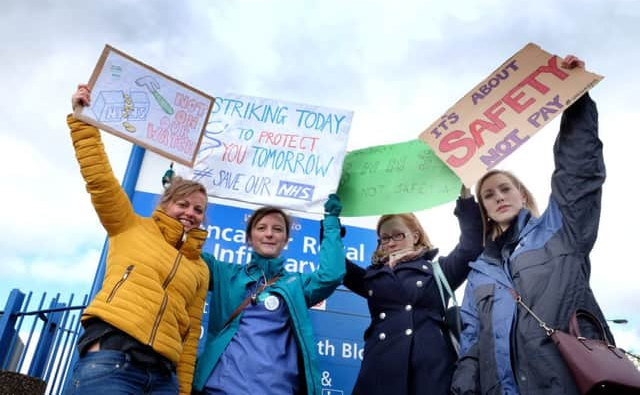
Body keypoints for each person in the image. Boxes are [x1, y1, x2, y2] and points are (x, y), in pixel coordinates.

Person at [451, 55, 610, 394]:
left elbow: (578, 176)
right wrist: (464, 380)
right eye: (489, 195)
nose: (498, 197)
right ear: (485, 211)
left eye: (505, 189)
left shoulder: (560, 231)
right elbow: (471, 337)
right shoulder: (479, 273)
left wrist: (575, 99)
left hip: (566, 383)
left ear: (522, 195)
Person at [66, 84, 209, 395]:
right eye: (182, 204)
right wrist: (82, 122)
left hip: (163, 380)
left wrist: (183, 391)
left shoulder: (200, 268)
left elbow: (191, 333)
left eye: (198, 209)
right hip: (112, 362)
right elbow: (100, 181)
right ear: (165, 204)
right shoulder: (130, 226)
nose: (190, 213)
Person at [192, 196, 345, 394]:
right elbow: (187, 250)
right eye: (261, 228)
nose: (269, 234)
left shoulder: (295, 284)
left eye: (278, 229)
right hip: (219, 389)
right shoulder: (225, 273)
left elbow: (331, 275)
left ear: (285, 240)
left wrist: (331, 221)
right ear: (249, 238)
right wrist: (174, 200)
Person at [342, 187, 483, 395]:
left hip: (429, 370)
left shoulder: (436, 272)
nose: (389, 242)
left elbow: (470, 247)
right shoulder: (372, 278)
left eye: (396, 235)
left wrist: (465, 198)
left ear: (415, 235)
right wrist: (330, 229)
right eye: (383, 238)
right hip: (380, 370)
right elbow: (338, 269)